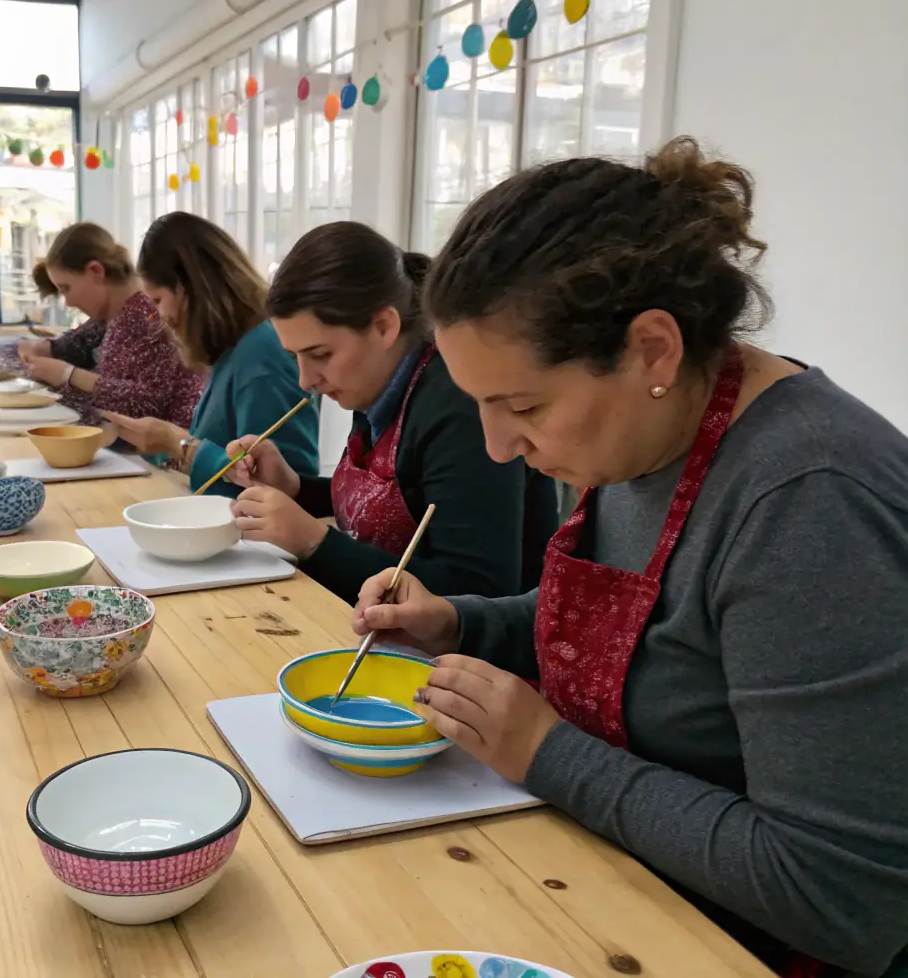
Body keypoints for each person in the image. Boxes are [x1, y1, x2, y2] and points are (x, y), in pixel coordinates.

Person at [351, 138, 908, 977]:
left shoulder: (807, 502)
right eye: (480, 408)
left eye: (523, 405)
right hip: (624, 893)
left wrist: (546, 753)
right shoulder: (645, 431)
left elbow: (839, 899)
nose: (499, 449)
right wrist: (458, 622)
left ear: (652, 349)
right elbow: (645, 636)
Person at [225, 221, 557, 606]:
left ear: (384, 326)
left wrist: (314, 542)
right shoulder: (377, 382)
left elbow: (478, 589)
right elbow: (390, 507)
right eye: (295, 357)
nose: (305, 380)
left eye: (320, 355)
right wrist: (295, 488)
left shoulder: (459, 405)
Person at [103, 212, 319, 494]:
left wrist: (178, 444)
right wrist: (162, 444)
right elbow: (220, 448)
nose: (158, 316)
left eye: (158, 300)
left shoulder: (261, 356)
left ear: (189, 288)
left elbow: (286, 487)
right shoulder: (233, 351)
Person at [17, 222, 203, 427]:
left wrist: (69, 375)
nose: (68, 303)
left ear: (95, 271)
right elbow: (74, 343)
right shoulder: (112, 314)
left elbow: (150, 404)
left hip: (159, 453)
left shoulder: (147, 314)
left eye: (66, 288)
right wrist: (43, 350)